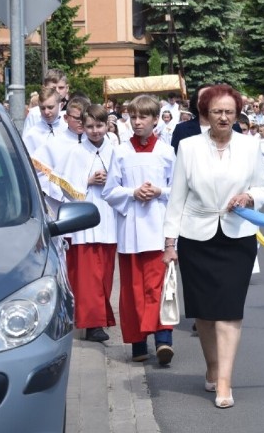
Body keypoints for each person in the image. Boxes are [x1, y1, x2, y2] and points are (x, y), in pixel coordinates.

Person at [162, 84, 264, 409]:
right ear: (206, 115)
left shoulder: (250, 146)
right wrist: (170, 242)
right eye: (216, 112)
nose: (223, 117)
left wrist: (249, 196)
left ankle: (225, 380)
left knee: (228, 314)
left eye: (228, 112)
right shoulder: (189, 146)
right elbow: (176, 198)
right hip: (197, 238)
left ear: (237, 114)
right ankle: (211, 366)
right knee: (205, 316)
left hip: (237, 239)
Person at [102, 95, 175, 366]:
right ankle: (138, 343)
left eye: (143, 117)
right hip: (131, 231)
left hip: (158, 230)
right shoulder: (120, 151)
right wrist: (133, 192)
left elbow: (178, 190)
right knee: (133, 291)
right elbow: (110, 191)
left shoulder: (166, 152)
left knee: (157, 288)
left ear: (156, 119)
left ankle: (164, 340)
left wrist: (159, 191)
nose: (137, 122)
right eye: (133, 117)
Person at [56, 104, 118, 343]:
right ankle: (92, 324)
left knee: (105, 274)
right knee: (88, 275)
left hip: (109, 218)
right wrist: (88, 180)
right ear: (83, 126)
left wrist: (110, 181)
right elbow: (65, 186)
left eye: (99, 126)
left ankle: (100, 316)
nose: (94, 131)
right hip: (85, 221)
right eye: (90, 126)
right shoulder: (76, 152)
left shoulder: (115, 150)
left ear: (107, 126)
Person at [21, 86, 66, 155]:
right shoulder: (32, 134)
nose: (46, 112)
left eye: (50, 107)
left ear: (61, 105)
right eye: (42, 108)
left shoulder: (68, 128)